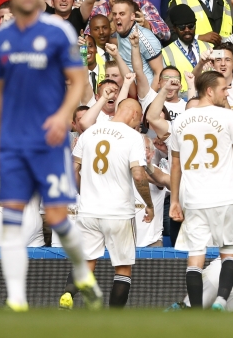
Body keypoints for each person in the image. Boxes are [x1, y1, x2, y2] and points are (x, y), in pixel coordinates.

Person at [0, 0, 101, 311]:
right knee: (11, 218)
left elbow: (78, 80)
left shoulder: (58, 31)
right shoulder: (2, 36)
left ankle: (82, 272)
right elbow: (2, 90)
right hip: (15, 141)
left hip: (49, 141)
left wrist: (62, 115)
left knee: (57, 218)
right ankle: (16, 299)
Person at [59, 98, 152, 309]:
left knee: (86, 262)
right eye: (139, 120)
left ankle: (68, 293)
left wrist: (84, 192)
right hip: (119, 213)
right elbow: (138, 175)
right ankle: (114, 317)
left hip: (88, 211)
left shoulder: (89, 132)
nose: (138, 124)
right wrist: (149, 204)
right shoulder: (133, 137)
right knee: (123, 268)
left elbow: (73, 169)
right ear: (135, 114)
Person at [169, 71, 233, 311]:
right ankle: (221, 300)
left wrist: (174, 200)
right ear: (209, 90)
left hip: (194, 199)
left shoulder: (180, 121)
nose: (227, 93)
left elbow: (176, 165)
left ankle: (196, 312)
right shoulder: (227, 116)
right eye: (224, 89)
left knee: (195, 257)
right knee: (229, 252)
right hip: (225, 196)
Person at [112, 0, 163, 86]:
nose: (117, 17)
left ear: (132, 16)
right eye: (114, 14)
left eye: (122, 14)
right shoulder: (121, 31)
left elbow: (159, 72)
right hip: (133, 89)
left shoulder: (145, 38)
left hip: (150, 91)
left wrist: (151, 95)